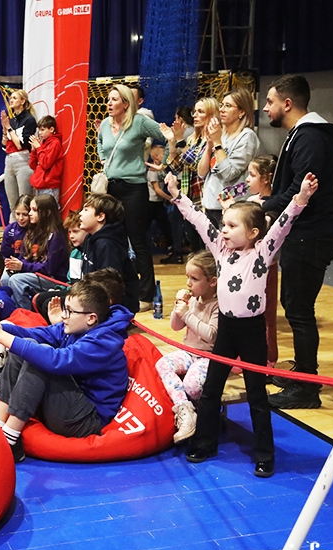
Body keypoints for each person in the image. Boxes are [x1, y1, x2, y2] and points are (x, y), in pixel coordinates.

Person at [167, 170, 317, 478]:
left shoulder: (263, 252)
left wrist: (300, 198)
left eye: (232, 225)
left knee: (257, 395)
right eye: (224, 224)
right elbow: (200, 222)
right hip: (227, 329)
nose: (223, 230)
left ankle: (265, 454)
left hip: (251, 332)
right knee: (211, 389)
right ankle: (205, 442)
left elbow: (282, 226)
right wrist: (178, 196)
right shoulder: (221, 253)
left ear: (252, 233)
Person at [0, 279, 134, 463]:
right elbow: (36, 334)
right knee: (26, 348)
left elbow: (57, 361)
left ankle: (10, 440)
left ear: (91, 318)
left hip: (86, 420)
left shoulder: (104, 342)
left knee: (41, 358)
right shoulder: (77, 327)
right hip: (69, 404)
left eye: (70, 311)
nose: (63, 316)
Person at [255, 75, 333, 410]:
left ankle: (307, 386)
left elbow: (302, 187)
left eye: (270, 102)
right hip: (304, 233)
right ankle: (302, 375)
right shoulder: (302, 135)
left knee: (301, 311)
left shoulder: (310, 137)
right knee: (296, 308)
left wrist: (261, 206)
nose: (266, 108)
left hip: (310, 236)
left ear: (287, 104)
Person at [96, 84, 164, 312]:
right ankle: (120, 291)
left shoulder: (139, 121)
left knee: (137, 240)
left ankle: (145, 295)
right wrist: (105, 160)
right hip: (111, 189)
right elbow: (100, 145)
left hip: (134, 189)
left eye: (114, 99)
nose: (109, 103)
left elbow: (163, 135)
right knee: (114, 239)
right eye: (108, 99)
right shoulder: (105, 124)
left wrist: (157, 153)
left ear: (126, 103)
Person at [154, 250, 218, 444]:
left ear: (212, 282)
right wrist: (179, 306)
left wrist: (188, 315)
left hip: (208, 356)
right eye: (187, 277)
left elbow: (211, 335)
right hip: (189, 353)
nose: (188, 283)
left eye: (194, 278)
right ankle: (185, 410)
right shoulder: (194, 300)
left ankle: (204, 412)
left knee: (192, 386)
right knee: (162, 364)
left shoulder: (218, 305)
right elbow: (175, 326)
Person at [160, 98, 220, 259]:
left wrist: (179, 140)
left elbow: (197, 165)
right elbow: (177, 166)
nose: (195, 115)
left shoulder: (214, 138)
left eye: (200, 112)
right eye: (194, 111)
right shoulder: (193, 139)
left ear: (211, 114)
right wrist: (172, 141)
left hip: (205, 200)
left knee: (207, 251)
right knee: (197, 250)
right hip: (191, 199)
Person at [198, 88, 259, 226]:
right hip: (210, 205)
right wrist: (209, 145)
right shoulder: (220, 134)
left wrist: (217, 143)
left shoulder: (247, 136)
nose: (222, 110)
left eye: (228, 106)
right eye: (222, 105)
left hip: (230, 208)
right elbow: (201, 173)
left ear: (242, 112)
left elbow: (229, 174)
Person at [243, 154, 281, 367]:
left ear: (266, 178)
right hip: (245, 266)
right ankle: (246, 355)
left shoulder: (273, 206)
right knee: (246, 312)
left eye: (252, 175)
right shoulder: (250, 202)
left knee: (266, 314)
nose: (247, 180)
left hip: (266, 268)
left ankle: (268, 359)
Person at [2, 193, 69, 310]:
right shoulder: (33, 230)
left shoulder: (56, 235)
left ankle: (26, 314)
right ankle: (12, 311)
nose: (29, 213)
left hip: (53, 279)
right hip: (36, 273)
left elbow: (48, 269)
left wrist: (23, 266)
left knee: (17, 280)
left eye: (34, 210)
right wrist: (15, 265)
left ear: (47, 213)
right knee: (5, 278)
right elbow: (25, 256)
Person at [0, 89, 37, 217]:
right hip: (9, 160)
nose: (11, 100)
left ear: (22, 101)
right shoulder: (12, 120)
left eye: (15, 98)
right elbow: (4, 146)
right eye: (11, 98)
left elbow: (20, 144)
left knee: (24, 202)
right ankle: (13, 233)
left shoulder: (29, 120)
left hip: (23, 160)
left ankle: (28, 233)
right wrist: (5, 130)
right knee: (13, 204)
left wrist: (9, 128)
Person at [28, 115, 64, 200]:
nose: (40, 133)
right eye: (39, 130)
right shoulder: (42, 143)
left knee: (49, 211)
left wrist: (38, 148)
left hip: (49, 186)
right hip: (39, 184)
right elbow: (32, 166)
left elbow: (46, 164)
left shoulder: (55, 143)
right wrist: (33, 151)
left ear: (51, 129)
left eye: (42, 130)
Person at [0, 195, 31, 260]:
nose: (20, 218)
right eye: (17, 214)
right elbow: (4, 255)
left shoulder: (39, 230)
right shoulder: (9, 230)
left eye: (25, 214)